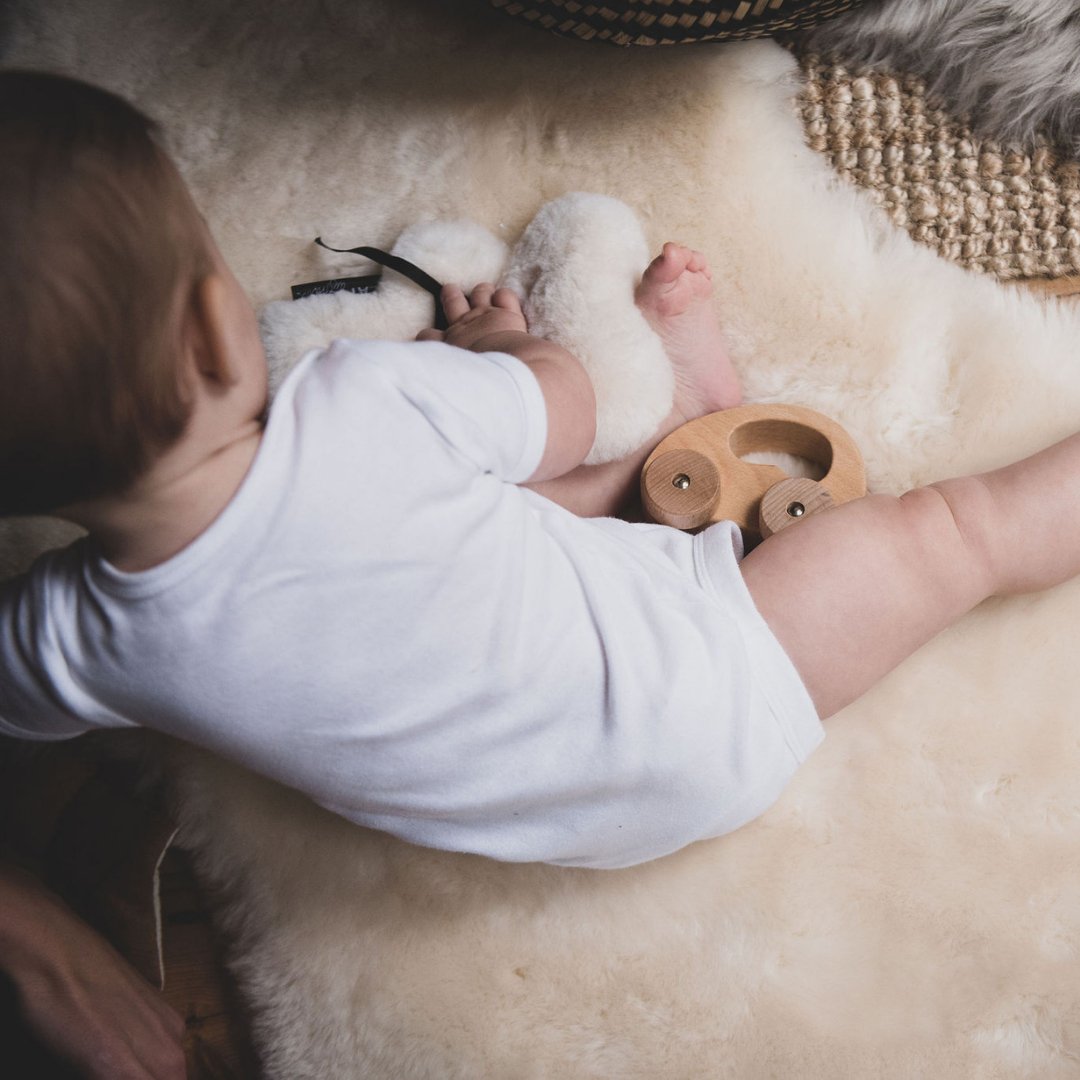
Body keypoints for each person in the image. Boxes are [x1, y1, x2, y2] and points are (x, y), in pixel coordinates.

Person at [3, 68, 1079, 877]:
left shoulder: (65, 638)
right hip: (705, 700)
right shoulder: (363, 407)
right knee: (950, 535)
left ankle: (703, 427)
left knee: (470, 533)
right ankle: (703, 419)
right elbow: (565, 405)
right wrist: (491, 357)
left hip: (576, 829)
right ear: (213, 325)